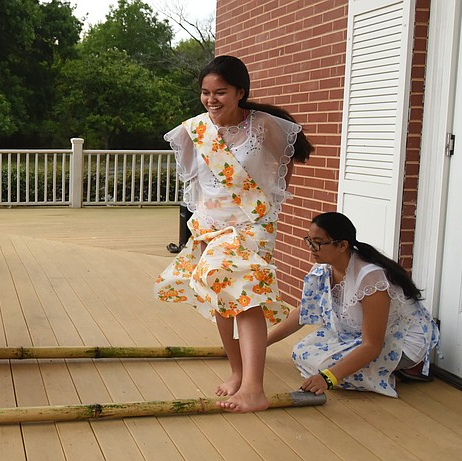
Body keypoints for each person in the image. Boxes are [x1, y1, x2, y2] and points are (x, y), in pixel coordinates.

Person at [154, 55, 313, 412]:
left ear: (240, 92)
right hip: (211, 225)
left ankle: (255, 389)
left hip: (252, 224)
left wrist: (268, 204)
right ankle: (239, 375)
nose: (211, 100)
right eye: (205, 93)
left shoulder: (265, 126)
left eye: (220, 92)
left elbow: (285, 166)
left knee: (235, 283)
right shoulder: (193, 130)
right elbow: (196, 183)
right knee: (223, 297)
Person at [267, 212, 440, 397]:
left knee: (327, 367)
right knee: (301, 352)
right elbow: (302, 313)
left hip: (401, 340)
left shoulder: (370, 278)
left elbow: (372, 344)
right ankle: (374, 371)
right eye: (309, 241)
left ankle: (407, 369)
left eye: (318, 242)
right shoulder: (322, 268)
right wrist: (262, 344)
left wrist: (328, 378)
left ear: (342, 245)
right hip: (358, 333)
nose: (312, 248)